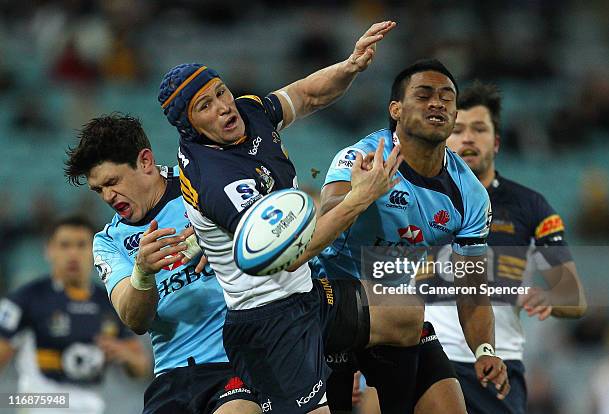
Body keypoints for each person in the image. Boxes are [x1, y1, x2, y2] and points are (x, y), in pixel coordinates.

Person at [159, 21, 432, 414]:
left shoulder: (247, 113)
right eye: (206, 106)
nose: (223, 106)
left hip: (308, 295)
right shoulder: (216, 180)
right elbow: (295, 253)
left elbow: (306, 95)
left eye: (220, 92)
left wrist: (350, 66)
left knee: (404, 316)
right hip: (268, 323)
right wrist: (361, 196)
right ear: (190, 126)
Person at [316, 59, 510, 413]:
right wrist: (360, 195)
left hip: (395, 316)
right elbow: (326, 214)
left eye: (447, 97)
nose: (437, 103)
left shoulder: (469, 193)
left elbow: (472, 288)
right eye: (423, 95)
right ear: (396, 109)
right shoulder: (364, 156)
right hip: (327, 304)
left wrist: (485, 350)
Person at [64, 114, 264, 414]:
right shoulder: (108, 241)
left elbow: (279, 231)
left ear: (145, 161)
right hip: (171, 378)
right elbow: (135, 321)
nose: (107, 196)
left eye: (112, 182)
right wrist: (142, 273)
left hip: (236, 362)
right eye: (98, 190)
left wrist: (223, 232)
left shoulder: (203, 187)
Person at [434, 80, 587, 413]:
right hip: (430, 359)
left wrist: (549, 296)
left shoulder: (530, 206)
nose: (468, 138)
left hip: (496, 366)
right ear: (444, 138)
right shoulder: (418, 198)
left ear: (497, 141)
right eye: (457, 129)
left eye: (479, 129)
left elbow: (573, 297)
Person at [0, 216, 150, 414]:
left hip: (91, 405)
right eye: (64, 245)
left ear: (96, 251)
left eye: (81, 245)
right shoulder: (25, 300)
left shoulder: (110, 303)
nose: (73, 254)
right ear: (49, 250)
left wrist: (126, 355)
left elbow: (141, 368)